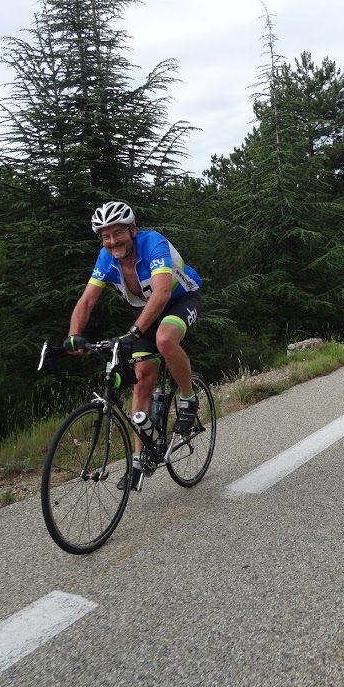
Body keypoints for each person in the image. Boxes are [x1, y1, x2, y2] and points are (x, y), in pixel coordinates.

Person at [64, 201, 203, 491]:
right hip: (148, 310)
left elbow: (163, 292)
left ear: (132, 230)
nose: (112, 241)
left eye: (118, 233)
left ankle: (189, 398)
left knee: (164, 339)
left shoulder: (153, 243)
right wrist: (74, 334)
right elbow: (87, 299)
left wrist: (134, 332)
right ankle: (140, 459)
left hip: (180, 300)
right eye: (105, 236)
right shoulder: (106, 258)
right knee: (142, 380)